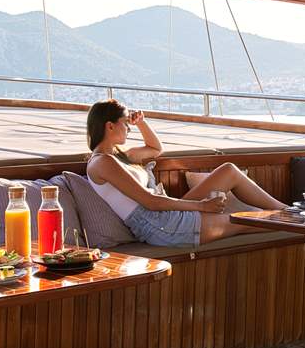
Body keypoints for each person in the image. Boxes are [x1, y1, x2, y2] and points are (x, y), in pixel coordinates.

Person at [85, 99, 286, 246]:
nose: (129, 129)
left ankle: (288, 210)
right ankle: (302, 220)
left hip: (164, 214)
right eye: (126, 124)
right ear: (110, 126)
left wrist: (142, 123)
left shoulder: (121, 156)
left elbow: (155, 149)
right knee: (249, 219)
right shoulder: (102, 163)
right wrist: (202, 206)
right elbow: (150, 202)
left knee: (228, 171)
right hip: (159, 225)